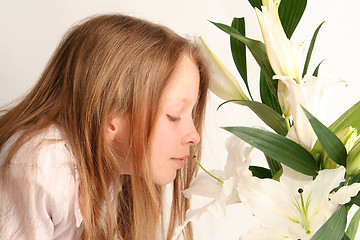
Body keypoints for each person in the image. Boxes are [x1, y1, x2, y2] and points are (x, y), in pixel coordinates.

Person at [0, 14, 209, 240]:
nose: (194, 136)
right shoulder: (39, 166)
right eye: (175, 115)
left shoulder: (113, 170)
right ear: (110, 115)